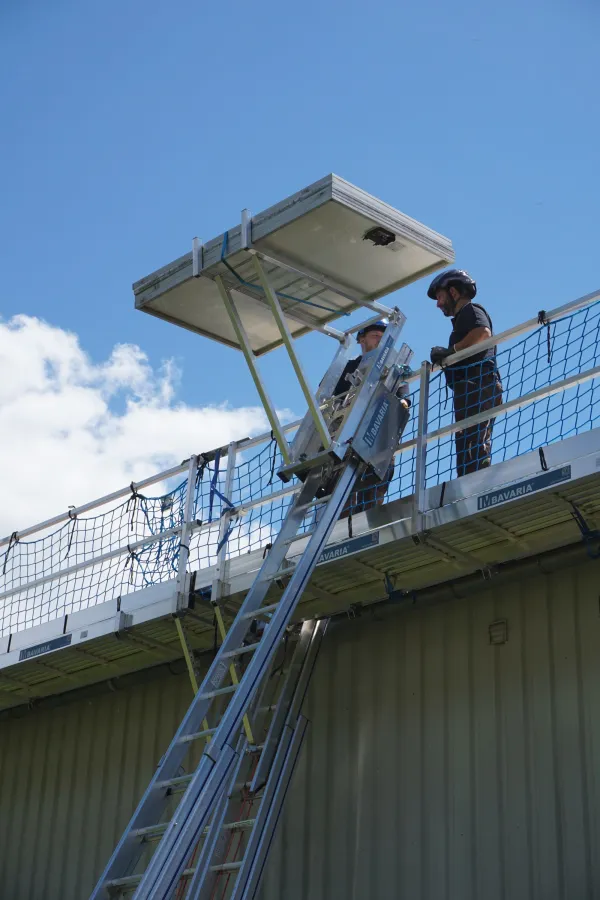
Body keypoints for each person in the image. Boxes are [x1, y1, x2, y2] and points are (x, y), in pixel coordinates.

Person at [331, 319, 410, 517]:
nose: (380, 341)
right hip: (346, 443)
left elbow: (404, 402)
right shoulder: (348, 368)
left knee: (373, 497)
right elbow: (328, 402)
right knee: (342, 501)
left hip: (378, 441)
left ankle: (366, 529)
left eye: (384, 338)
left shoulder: (393, 370)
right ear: (362, 340)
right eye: (375, 336)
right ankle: (341, 534)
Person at [428, 269, 503, 477]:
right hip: (470, 390)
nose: (438, 303)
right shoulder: (462, 319)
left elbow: (482, 333)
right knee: (467, 445)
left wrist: (450, 352)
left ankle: (475, 487)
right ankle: (468, 485)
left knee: (473, 444)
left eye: (440, 297)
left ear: (453, 292)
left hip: (478, 385)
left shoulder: (472, 310)